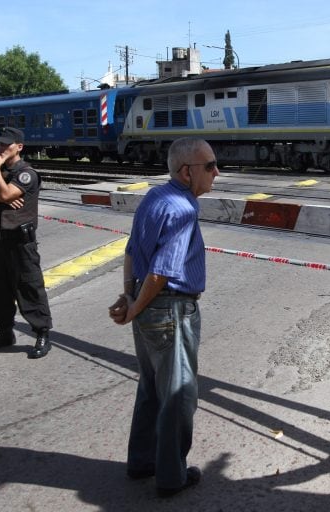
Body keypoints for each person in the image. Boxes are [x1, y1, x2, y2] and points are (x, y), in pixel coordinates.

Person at [108, 137, 219, 498]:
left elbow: (130, 252)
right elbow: (160, 273)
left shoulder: (155, 197)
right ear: (187, 172)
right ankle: (171, 476)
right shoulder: (184, 209)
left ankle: (142, 461)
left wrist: (129, 298)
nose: (217, 172)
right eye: (210, 165)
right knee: (178, 395)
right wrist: (133, 308)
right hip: (171, 309)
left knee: (150, 388)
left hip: (148, 307)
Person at [0, 127, 53, 359]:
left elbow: (7, 195)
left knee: (29, 287)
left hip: (22, 242)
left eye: (6, 145)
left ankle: (42, 333)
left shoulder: (26, 174)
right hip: (1, 240)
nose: (0, 149)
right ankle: (4, 332)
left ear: (19, 147)